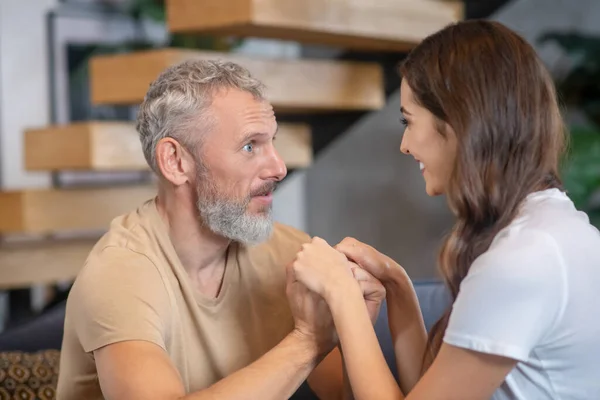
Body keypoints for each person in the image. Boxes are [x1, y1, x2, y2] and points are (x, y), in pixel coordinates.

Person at [289, 19, 600, 400]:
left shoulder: (522, 260)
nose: (404, 144)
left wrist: (341, 295)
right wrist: (397, 285)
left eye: (409, 120)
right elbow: (431, 388)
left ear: (457, 122)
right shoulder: (553, 227)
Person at [56, 59, 385, 399]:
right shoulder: (119, 273)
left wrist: (354, 326)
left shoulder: (289, 255)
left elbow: (340, 394)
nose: (279, 167)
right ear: (175, 161)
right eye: (249, 146)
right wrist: (308, 340)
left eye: (272, 142)